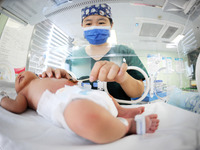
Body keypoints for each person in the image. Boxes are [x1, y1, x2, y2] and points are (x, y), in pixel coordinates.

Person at [0, 71, 159, 144]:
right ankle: (127, 126)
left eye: (22, 74)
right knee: (84, 115)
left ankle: (121, 111)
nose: (18, 77)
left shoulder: (43, 77)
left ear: (35, 73)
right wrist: (4, 99)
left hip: (82, 92)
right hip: (65, 101)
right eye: (15, 81)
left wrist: (67, 78)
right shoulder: (25, 93)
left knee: (105, 95)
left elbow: (72, 80)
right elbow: (17, 106)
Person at [40, 3, 148, 101]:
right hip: (85, 114)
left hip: (120, 116)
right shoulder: (73, 57)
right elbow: (69, 89)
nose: (95, 27)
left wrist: (123, 78)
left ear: (111, 25)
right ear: (82, 26)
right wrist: (56, 80)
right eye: (88, 23)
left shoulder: (125, 52)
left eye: (101, 22)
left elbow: (139, 92)